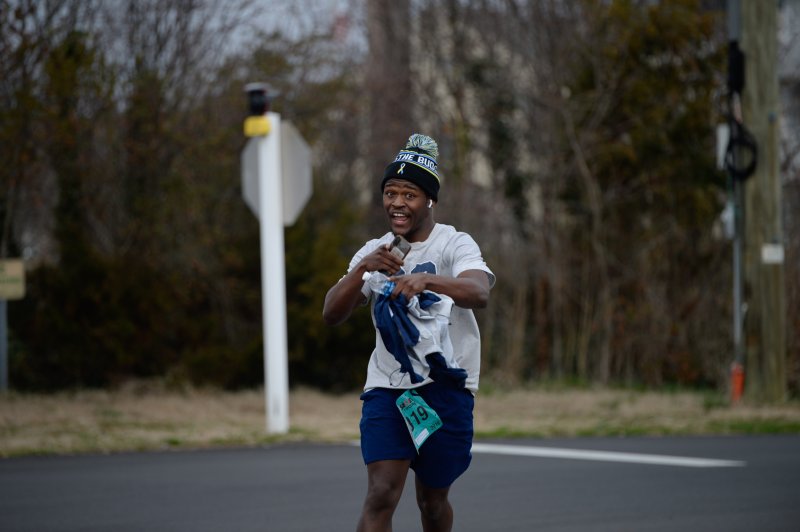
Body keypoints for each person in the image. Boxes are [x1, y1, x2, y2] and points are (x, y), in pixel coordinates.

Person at [323, 133, 495, 532]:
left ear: (429, 200)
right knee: (381, 492)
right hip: (388, 386)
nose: (397, 203)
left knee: (432, 502)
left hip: (446, 387)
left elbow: (479, 292)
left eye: (410, 194)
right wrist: (362, 269)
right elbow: (332, 313)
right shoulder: (376, 250)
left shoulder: (454, 243)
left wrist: (427, 281)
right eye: (390, 192)